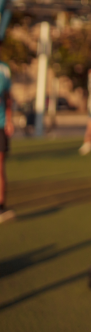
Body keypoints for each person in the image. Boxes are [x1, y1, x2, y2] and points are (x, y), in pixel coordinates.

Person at [0, 59, 14, 223]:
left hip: (0, 124)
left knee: (0, 165)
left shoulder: (4, 69)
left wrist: (9, 120)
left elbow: (8, 97)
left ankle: (1, 207)